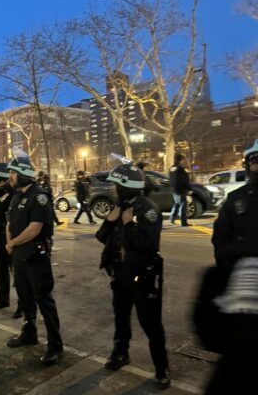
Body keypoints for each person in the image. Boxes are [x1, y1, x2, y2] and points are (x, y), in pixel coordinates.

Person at [96, 163, 170, 389]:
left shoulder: (147, 210)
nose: (113, 189)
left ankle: (161, 368)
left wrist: (128, 225)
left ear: (126, 186)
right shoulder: (119, 206)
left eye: (116, 185)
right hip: (120, 275)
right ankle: (120, 353)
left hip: (143, 277)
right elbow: (101, 237)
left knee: (151, 324)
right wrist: (110, 221)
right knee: (121, 318)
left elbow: (147, 246)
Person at [205, 139, 258, 395]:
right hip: (240, 296)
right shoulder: (236, 199)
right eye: (255, 161)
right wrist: (229, 269)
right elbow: (220, 239)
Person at [5, 154, 63, 366]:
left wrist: (12, 244)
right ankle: (29, 333)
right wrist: (9, 242)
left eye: (13, 172)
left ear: (23, 175)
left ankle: (55, 346)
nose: (10, 176)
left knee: (44, 300)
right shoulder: (16, 196)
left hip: (35, 256)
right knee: (25, 297)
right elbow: (9, 223)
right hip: (19, 256)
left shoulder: (39, 196)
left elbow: (34, 229)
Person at [0, 162, 20, 314]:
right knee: (1, 269)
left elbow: (12, 216)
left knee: (15, 271)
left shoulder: (12, 192)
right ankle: (3, 299)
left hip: (9, 236)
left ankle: (22, 304)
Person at [168, 153, 192, 226]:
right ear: (181, 160)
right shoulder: (181, 169)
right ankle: (183, 222)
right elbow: (184, 180)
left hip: (173, 190)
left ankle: (172, 218)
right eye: (183, 159)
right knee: (182, 206)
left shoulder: (171, 168)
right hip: (181, 190)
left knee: (177, 204)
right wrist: (189, 189)